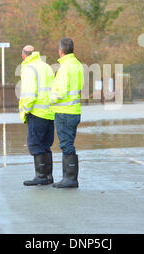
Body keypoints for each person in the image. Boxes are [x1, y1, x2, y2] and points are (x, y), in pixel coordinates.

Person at [50, 38, 84, 188]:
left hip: (64, 111)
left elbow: (61, 90)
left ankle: (70, 179)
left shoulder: (65, 67)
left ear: (61, 51)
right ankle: (69, 178)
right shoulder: (77, 65)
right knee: (69, 143)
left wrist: (51, 100)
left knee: (66, 144)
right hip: (74, 110)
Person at [19, 45, 55, 186]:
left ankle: (40, 176)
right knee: (46, 144)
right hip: (49, 112)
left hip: (36, 112)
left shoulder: (29, 69)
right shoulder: (46, 66)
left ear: (24, 55)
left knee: (35, 143)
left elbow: (29, 93)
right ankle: (48, 176)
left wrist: (25, 110)